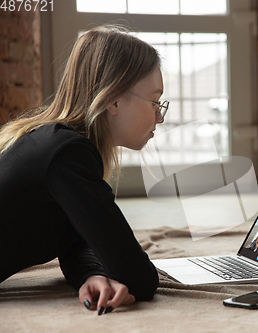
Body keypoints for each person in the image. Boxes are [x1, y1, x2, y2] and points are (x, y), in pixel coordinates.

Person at [0, 25, 167, 314]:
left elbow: (75, 236)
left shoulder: (51, 141)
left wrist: (92, 275)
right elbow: (140, 279)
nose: (159, 116)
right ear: (113, 98)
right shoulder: (68, 154)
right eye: (154, 101)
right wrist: (121, 271)